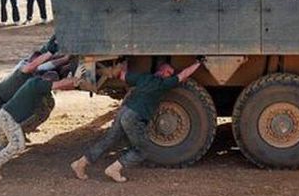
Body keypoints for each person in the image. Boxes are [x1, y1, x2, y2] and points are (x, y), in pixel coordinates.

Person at [71, 58, 203, 183]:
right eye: (170, 72)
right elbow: (184, 74)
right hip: (133, 116)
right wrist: (197, 63)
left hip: (125, 110)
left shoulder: (143, 78)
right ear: (163, 72)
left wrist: (124, 62)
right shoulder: (162, 84)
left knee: (109, 139)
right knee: (143, 149)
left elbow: (122, 75)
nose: (171, 75)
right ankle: (115, 168)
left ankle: (81, 163)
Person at [0, 71, 77, 181]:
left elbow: (61, 87)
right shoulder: (38, 85)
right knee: (18, 145)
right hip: (10, 118)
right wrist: (76, 79)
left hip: (4, 114)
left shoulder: (34, 82)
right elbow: (60, 84)